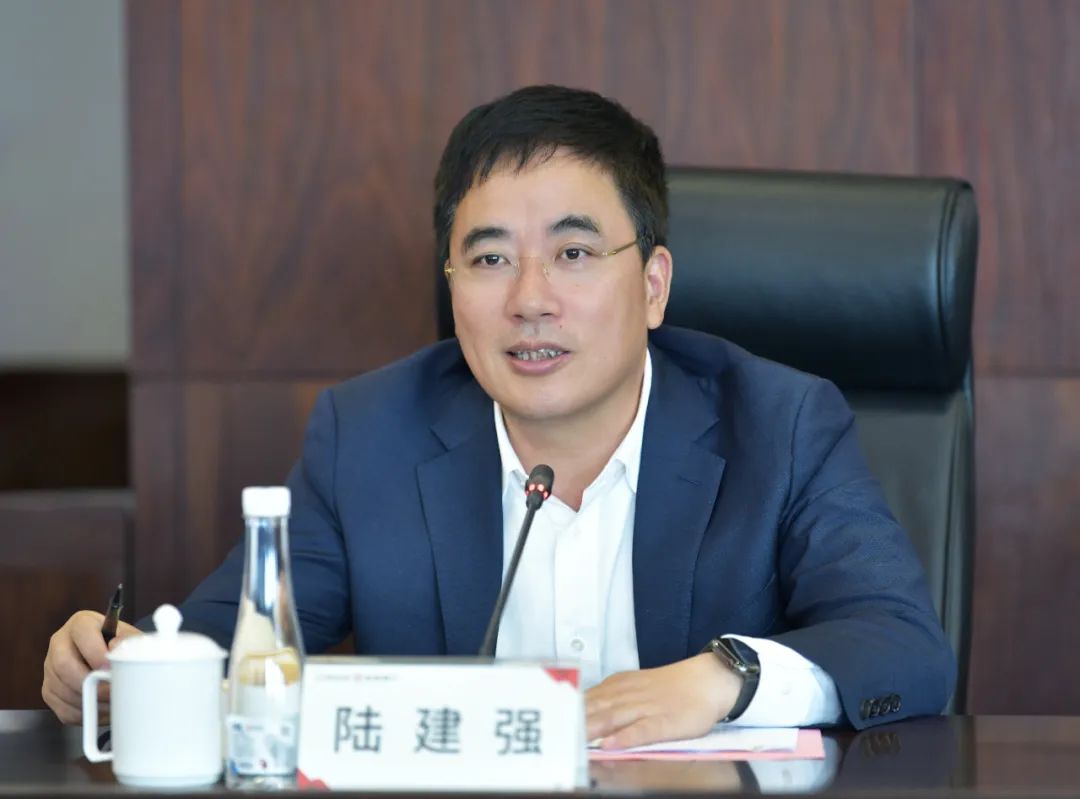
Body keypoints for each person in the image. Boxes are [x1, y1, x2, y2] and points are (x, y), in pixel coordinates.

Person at [43, 85, 955, 747]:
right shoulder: (370, 434)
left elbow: (904, 646)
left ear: (652, 285)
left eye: (573, 252)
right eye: (488, 260)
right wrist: (120, 668)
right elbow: (230, 649)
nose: (530, 299)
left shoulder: (780, 423)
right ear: (451, 287)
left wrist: (725, 677)